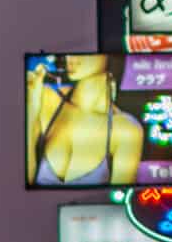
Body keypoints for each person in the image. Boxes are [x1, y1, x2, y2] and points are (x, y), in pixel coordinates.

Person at [25, 53, 144, 188]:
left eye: (87, 50)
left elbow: (120, 199)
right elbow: (22, 186)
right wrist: (31, 113)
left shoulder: (127, 129)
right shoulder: (44, 98)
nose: (71, 57)